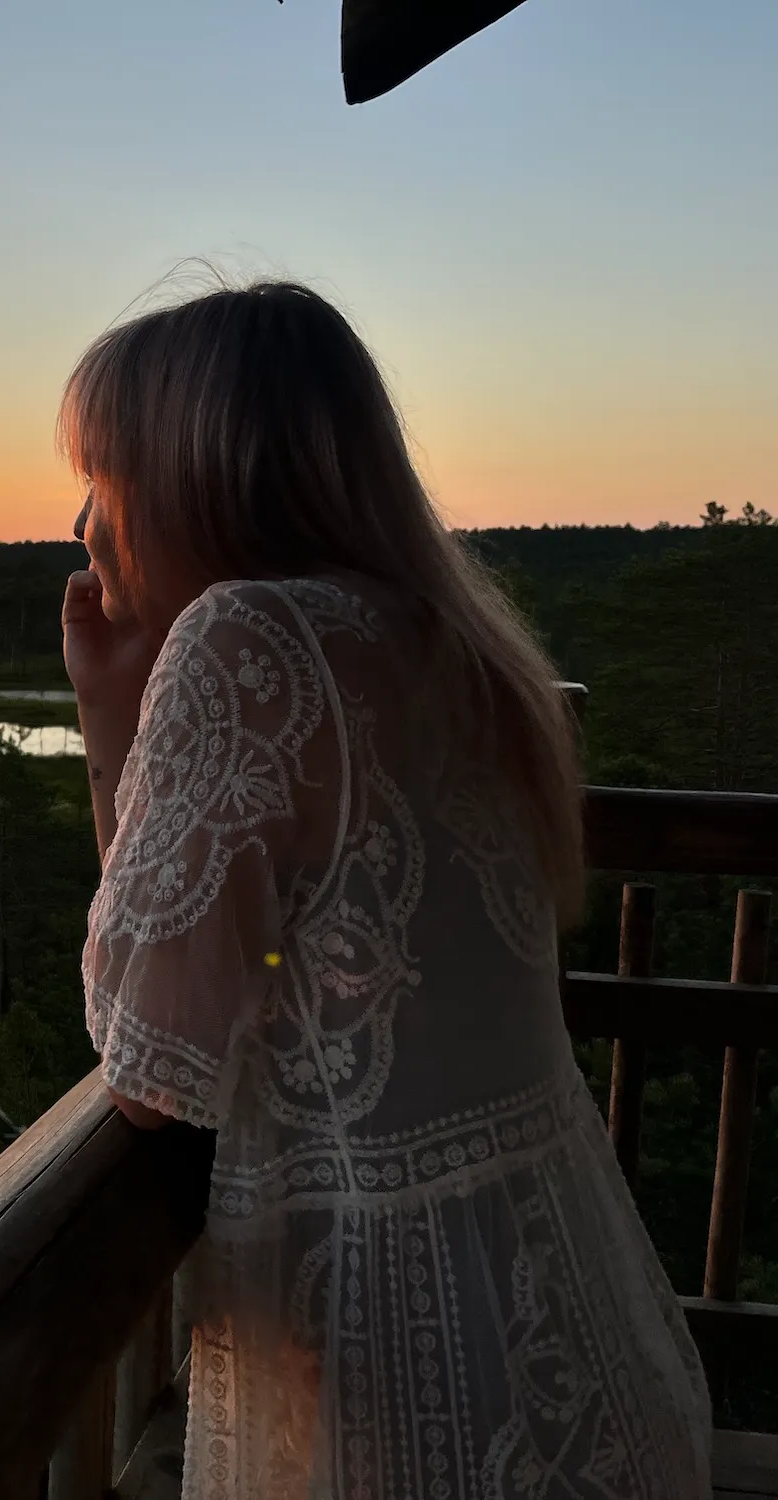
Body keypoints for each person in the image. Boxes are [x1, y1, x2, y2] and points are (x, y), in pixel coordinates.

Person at [60, 279, 710, 1499]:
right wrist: (118, 711)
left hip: (408, 1380)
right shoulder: (447, 642)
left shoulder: (244, 644)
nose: (84, 524)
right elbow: (225, 954)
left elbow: (152, 1063)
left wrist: (127, 705)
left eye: (104, 479)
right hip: (576, 1337)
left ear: (194, 475)